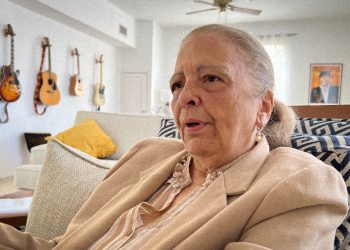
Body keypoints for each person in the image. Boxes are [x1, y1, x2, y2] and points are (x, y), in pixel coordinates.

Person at [0, 24, 348, 249]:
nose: (185, 97)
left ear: (263, 106)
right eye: (177, 84)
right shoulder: (147, 155)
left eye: (211, 78)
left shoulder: (300, 185)